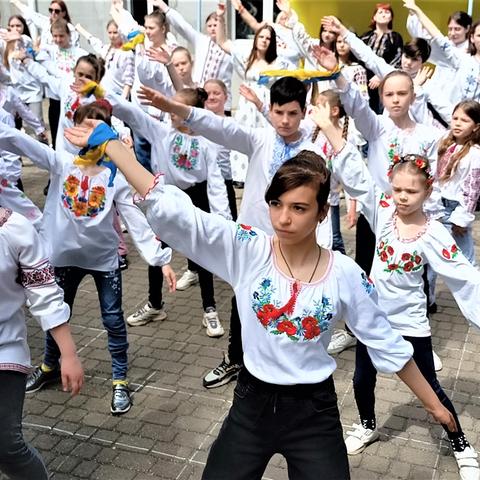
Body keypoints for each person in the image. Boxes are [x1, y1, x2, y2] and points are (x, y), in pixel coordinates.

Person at [65, 119, 457, 480]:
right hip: (251, 405)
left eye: (299, 208)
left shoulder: (345, 274)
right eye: (276, 204)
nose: (284, 218)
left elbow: (385, 342)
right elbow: (182, 217)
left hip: (314, 412)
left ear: (323, 212)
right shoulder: (248, 249)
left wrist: (433, 404)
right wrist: (112, 145)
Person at [310, 97, 480, 479]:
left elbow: (465, 276)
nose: (402, 197)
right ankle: (367, 425)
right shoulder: (383, 211)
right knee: (361, 380)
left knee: (430, 387)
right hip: (372, 319)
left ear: (427, 191)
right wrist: (330, 128)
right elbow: (354, 171)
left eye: (411, 192)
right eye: (397, 189)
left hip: (410, 322)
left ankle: (461, 443)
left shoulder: (433, 233)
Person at [136, 76, 332, 388]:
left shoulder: (312, 153)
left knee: (285, 303)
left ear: (303, 111)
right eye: (279, 112)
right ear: (269, 109)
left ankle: (278, 363)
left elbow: (321, 205)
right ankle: (235, 358)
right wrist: (176, 108)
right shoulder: (259, 139)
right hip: (253, 241)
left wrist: (321, 247)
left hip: (294, 246)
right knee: (242, 298)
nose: (285, 120)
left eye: (293, 113)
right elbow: (221, 128)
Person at [0, 101, 175, 415]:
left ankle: (120, 380)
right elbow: (18, 140)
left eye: (97, 127)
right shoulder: (62, 163)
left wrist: (160, 259)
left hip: (104, 262)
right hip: (62, 258)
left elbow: (135, 219)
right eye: (83, 125)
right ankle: (50, 366)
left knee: (113, 320)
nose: (89, 133)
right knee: (57, 315)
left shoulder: (115, 177)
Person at [106, 87, 230, 336]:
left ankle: (210, 309)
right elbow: (133, 114)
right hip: (165, 198)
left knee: (202, 251)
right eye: (170, 106)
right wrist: (101, 93)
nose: (171, 111)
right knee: (157, 248)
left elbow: (216, 184)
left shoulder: (206, 143)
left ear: (190, 112)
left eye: (176, 107)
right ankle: (155, 305)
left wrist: (223, 219)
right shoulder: (162, 132)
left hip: (196, 198)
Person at [0, 206, 83, 479]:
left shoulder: (14, 229)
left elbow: (44, 293)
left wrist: (68, 353)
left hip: (5, 347)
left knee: (6, 445)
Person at [360, 3, 403, 113]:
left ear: (391, 17)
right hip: (363, 81)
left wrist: (381, 75)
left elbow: (398, 60)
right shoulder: (365, 36)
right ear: (374, 17)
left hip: (385, 82)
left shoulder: (396, 37)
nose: (383, 15)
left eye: (387, 12)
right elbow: (358, 56)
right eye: (380, 12)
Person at [75, 20, 134, 99]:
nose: (112, 36)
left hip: (118, 96)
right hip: (103, 95)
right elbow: (94, 41)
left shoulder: (127, 53)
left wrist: (123, 99)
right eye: (110, 33)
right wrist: (80, 29)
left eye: (115, 33)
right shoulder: (106, 49)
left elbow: (129, 80)